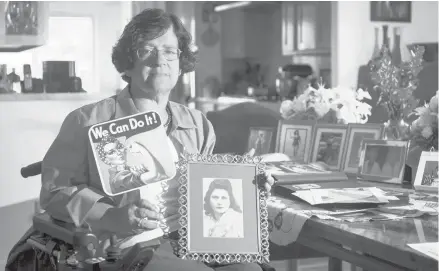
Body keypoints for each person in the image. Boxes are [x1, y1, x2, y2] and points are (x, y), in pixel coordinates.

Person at [6, 8, 275, 271]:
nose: (160, 61)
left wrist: (247, 185)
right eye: (147, 51)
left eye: (170, 52)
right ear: (128, 63)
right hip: (127, 246)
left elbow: (207, 189)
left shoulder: (197, 123)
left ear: (181, 64)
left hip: (196, 238)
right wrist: (113, 217)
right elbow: (55, 193)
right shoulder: (87, 121)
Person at [95, 135, 165, 194]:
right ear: (106, 160)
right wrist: (141, 149)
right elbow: (155, 174)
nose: (118, 152)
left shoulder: (127, 169)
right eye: (111, 152)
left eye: (119, 147)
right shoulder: (118, 179)